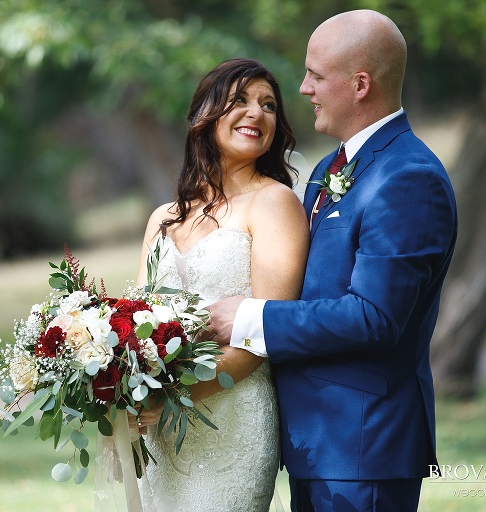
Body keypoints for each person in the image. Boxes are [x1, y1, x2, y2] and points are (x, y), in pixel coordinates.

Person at [207, 10, 458, 512]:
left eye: (316, 76)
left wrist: (251, 318)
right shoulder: (330, 167)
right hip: (316, 442)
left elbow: (375, 316)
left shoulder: (409, 178)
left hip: (364, 444)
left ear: (360, 85)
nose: (304, 89)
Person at [134, 58, 310, 511]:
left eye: (268, 105)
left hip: (234, 420)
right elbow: (135, 325)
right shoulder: (163, 218)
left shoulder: (275, 203)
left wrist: (173, 397)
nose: (256, 113)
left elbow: (264, 336)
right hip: (160, 431)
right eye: (240, 100)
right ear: (205, 114)